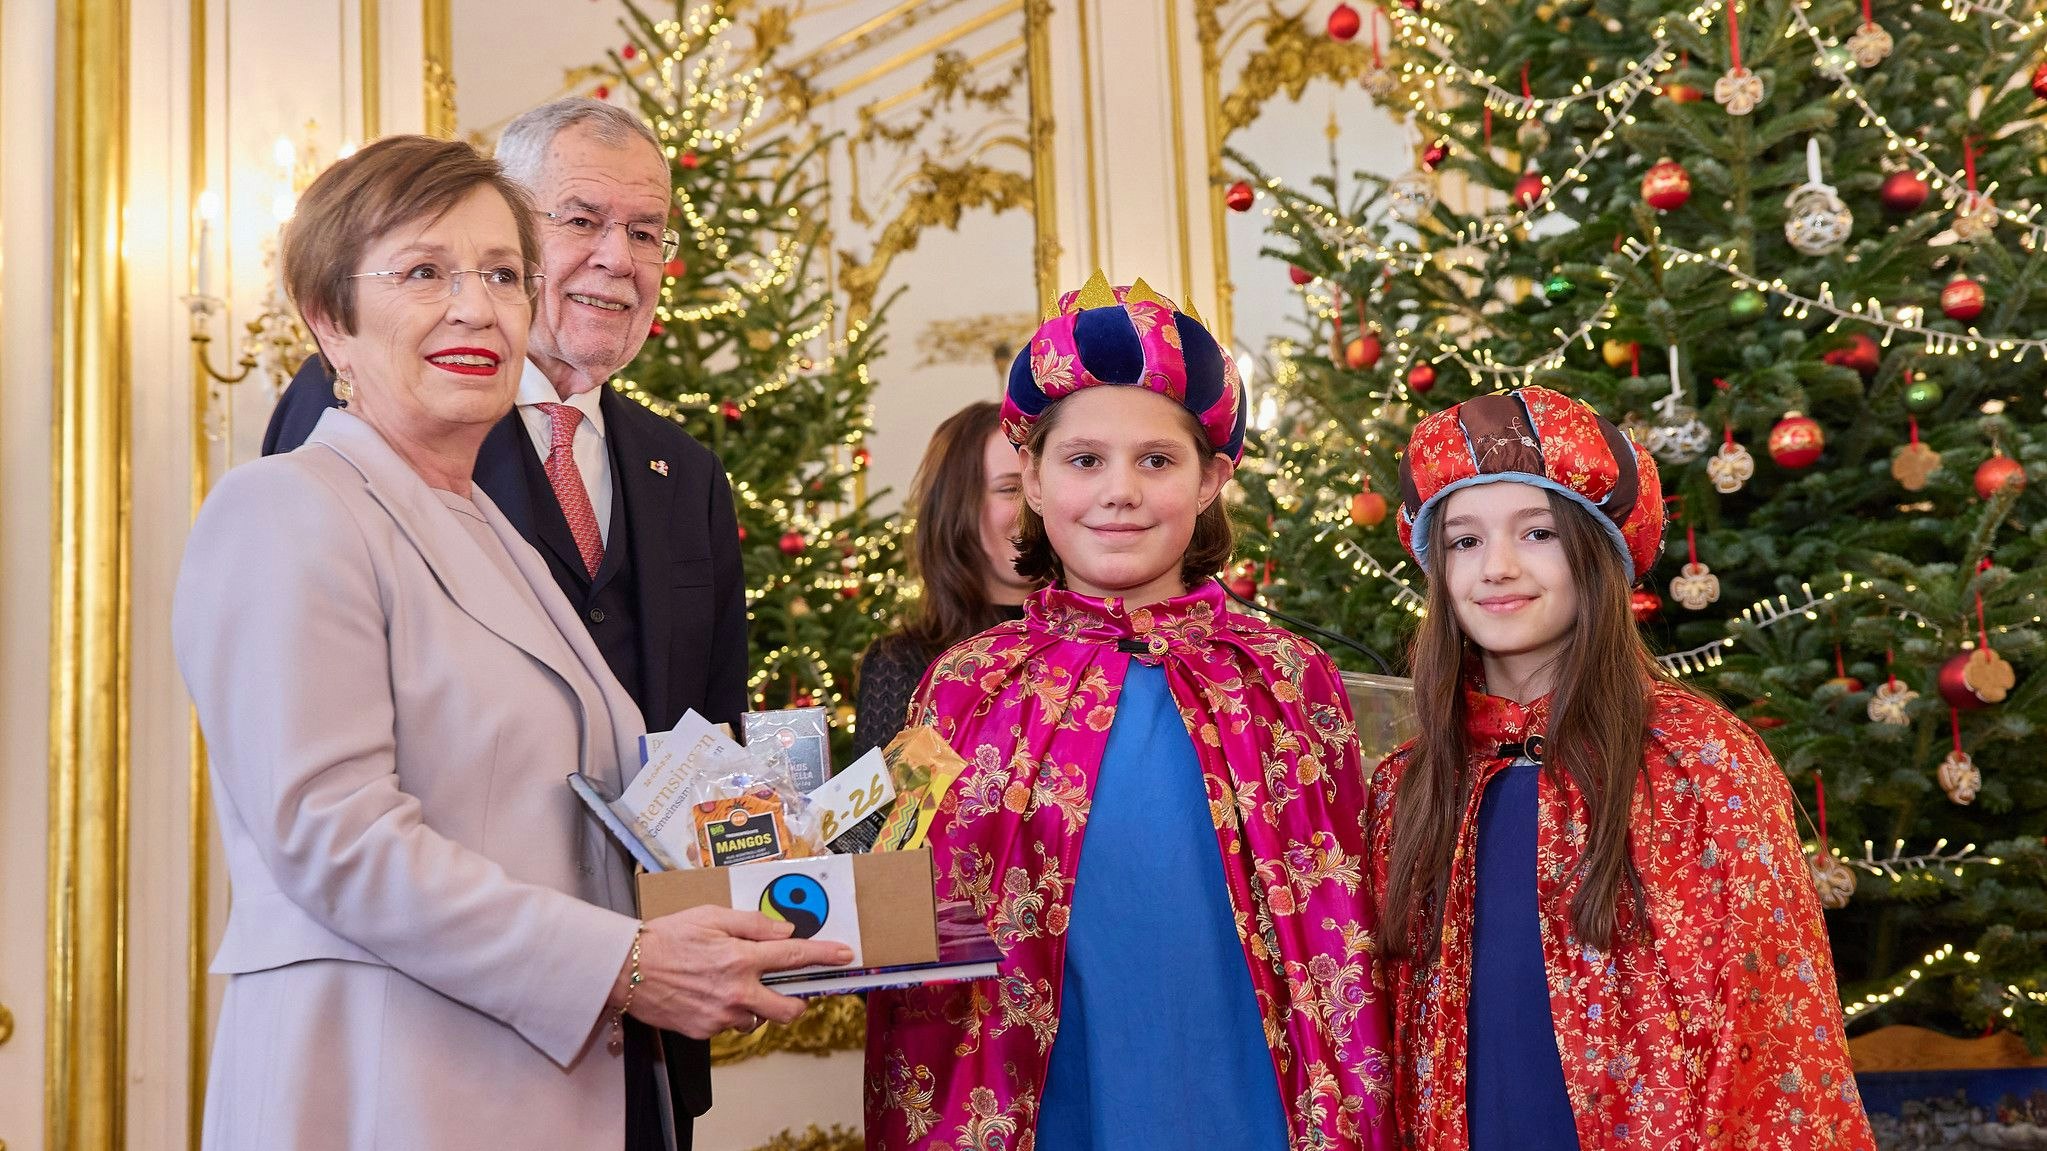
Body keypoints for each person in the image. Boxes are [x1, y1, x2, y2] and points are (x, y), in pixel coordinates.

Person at [173, 135, 850, 1151]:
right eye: (423, 272)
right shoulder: (286, 508)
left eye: (500, 274)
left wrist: (791, 877)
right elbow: (337, 840)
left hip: (557, 1087)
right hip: (382, 1083)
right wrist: (625, 963)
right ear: (329, 320)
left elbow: (626, 796)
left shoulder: (482, 529)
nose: (476, 307)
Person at [260, 98, 744, 1143]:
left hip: (636, 1056)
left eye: (647, 232)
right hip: (431, 1043)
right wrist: (619, 963)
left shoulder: (686, 471)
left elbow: (710, 748)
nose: (618, 258)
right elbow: (332, 825)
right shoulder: (359, 446)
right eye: (578, 221)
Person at [863, 274, 1396, 1151]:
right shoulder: (961, 684)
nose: (1120, 491)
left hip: (1245, 1083)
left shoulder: (1286, 679)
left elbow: (1345, 924)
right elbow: (899, 886)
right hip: (1036, 1085)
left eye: (1156, 460)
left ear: (1212, 478)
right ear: (1030, 478)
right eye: (1083, 460)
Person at [1365, 386, 1876, 1149]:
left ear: (1598, 551)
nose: (1495, 568)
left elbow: (1770, 1030)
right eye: (1464, 541)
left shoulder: (1697, 757)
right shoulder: (1409, 783)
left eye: (1535, 532)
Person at [851, 400, 1036, 757]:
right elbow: (885, 814)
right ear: (956, 505)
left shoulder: (1099, 642)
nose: (1034, 509)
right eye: (1011, 489)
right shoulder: (901, 665)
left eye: (1040, 487)